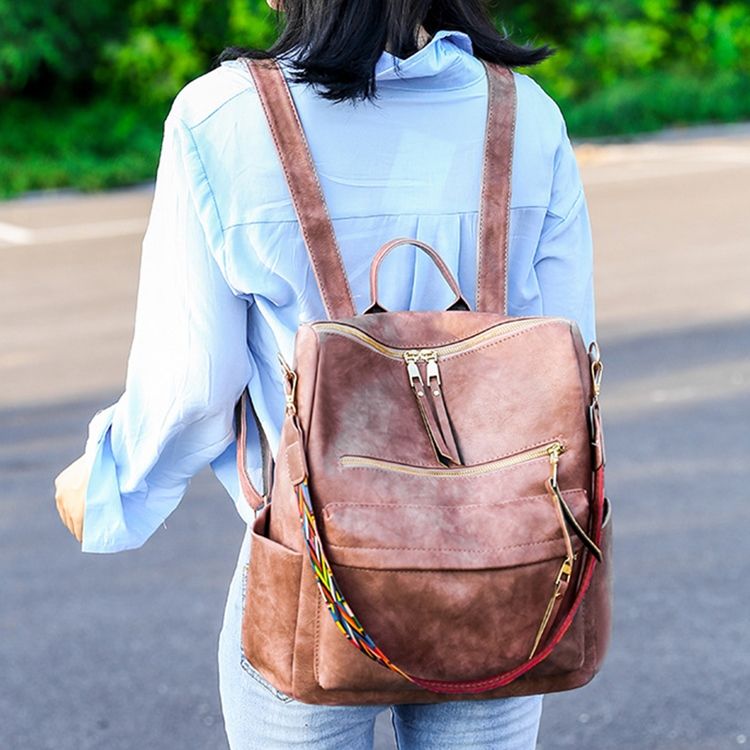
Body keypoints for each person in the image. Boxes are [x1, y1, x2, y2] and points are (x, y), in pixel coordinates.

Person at [55, 1, 596, 747]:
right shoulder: (525, 116)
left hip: (312, 563)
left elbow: (194, 385)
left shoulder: (224, 117)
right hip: (501, 569)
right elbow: (568, 365)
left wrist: (114, 480)